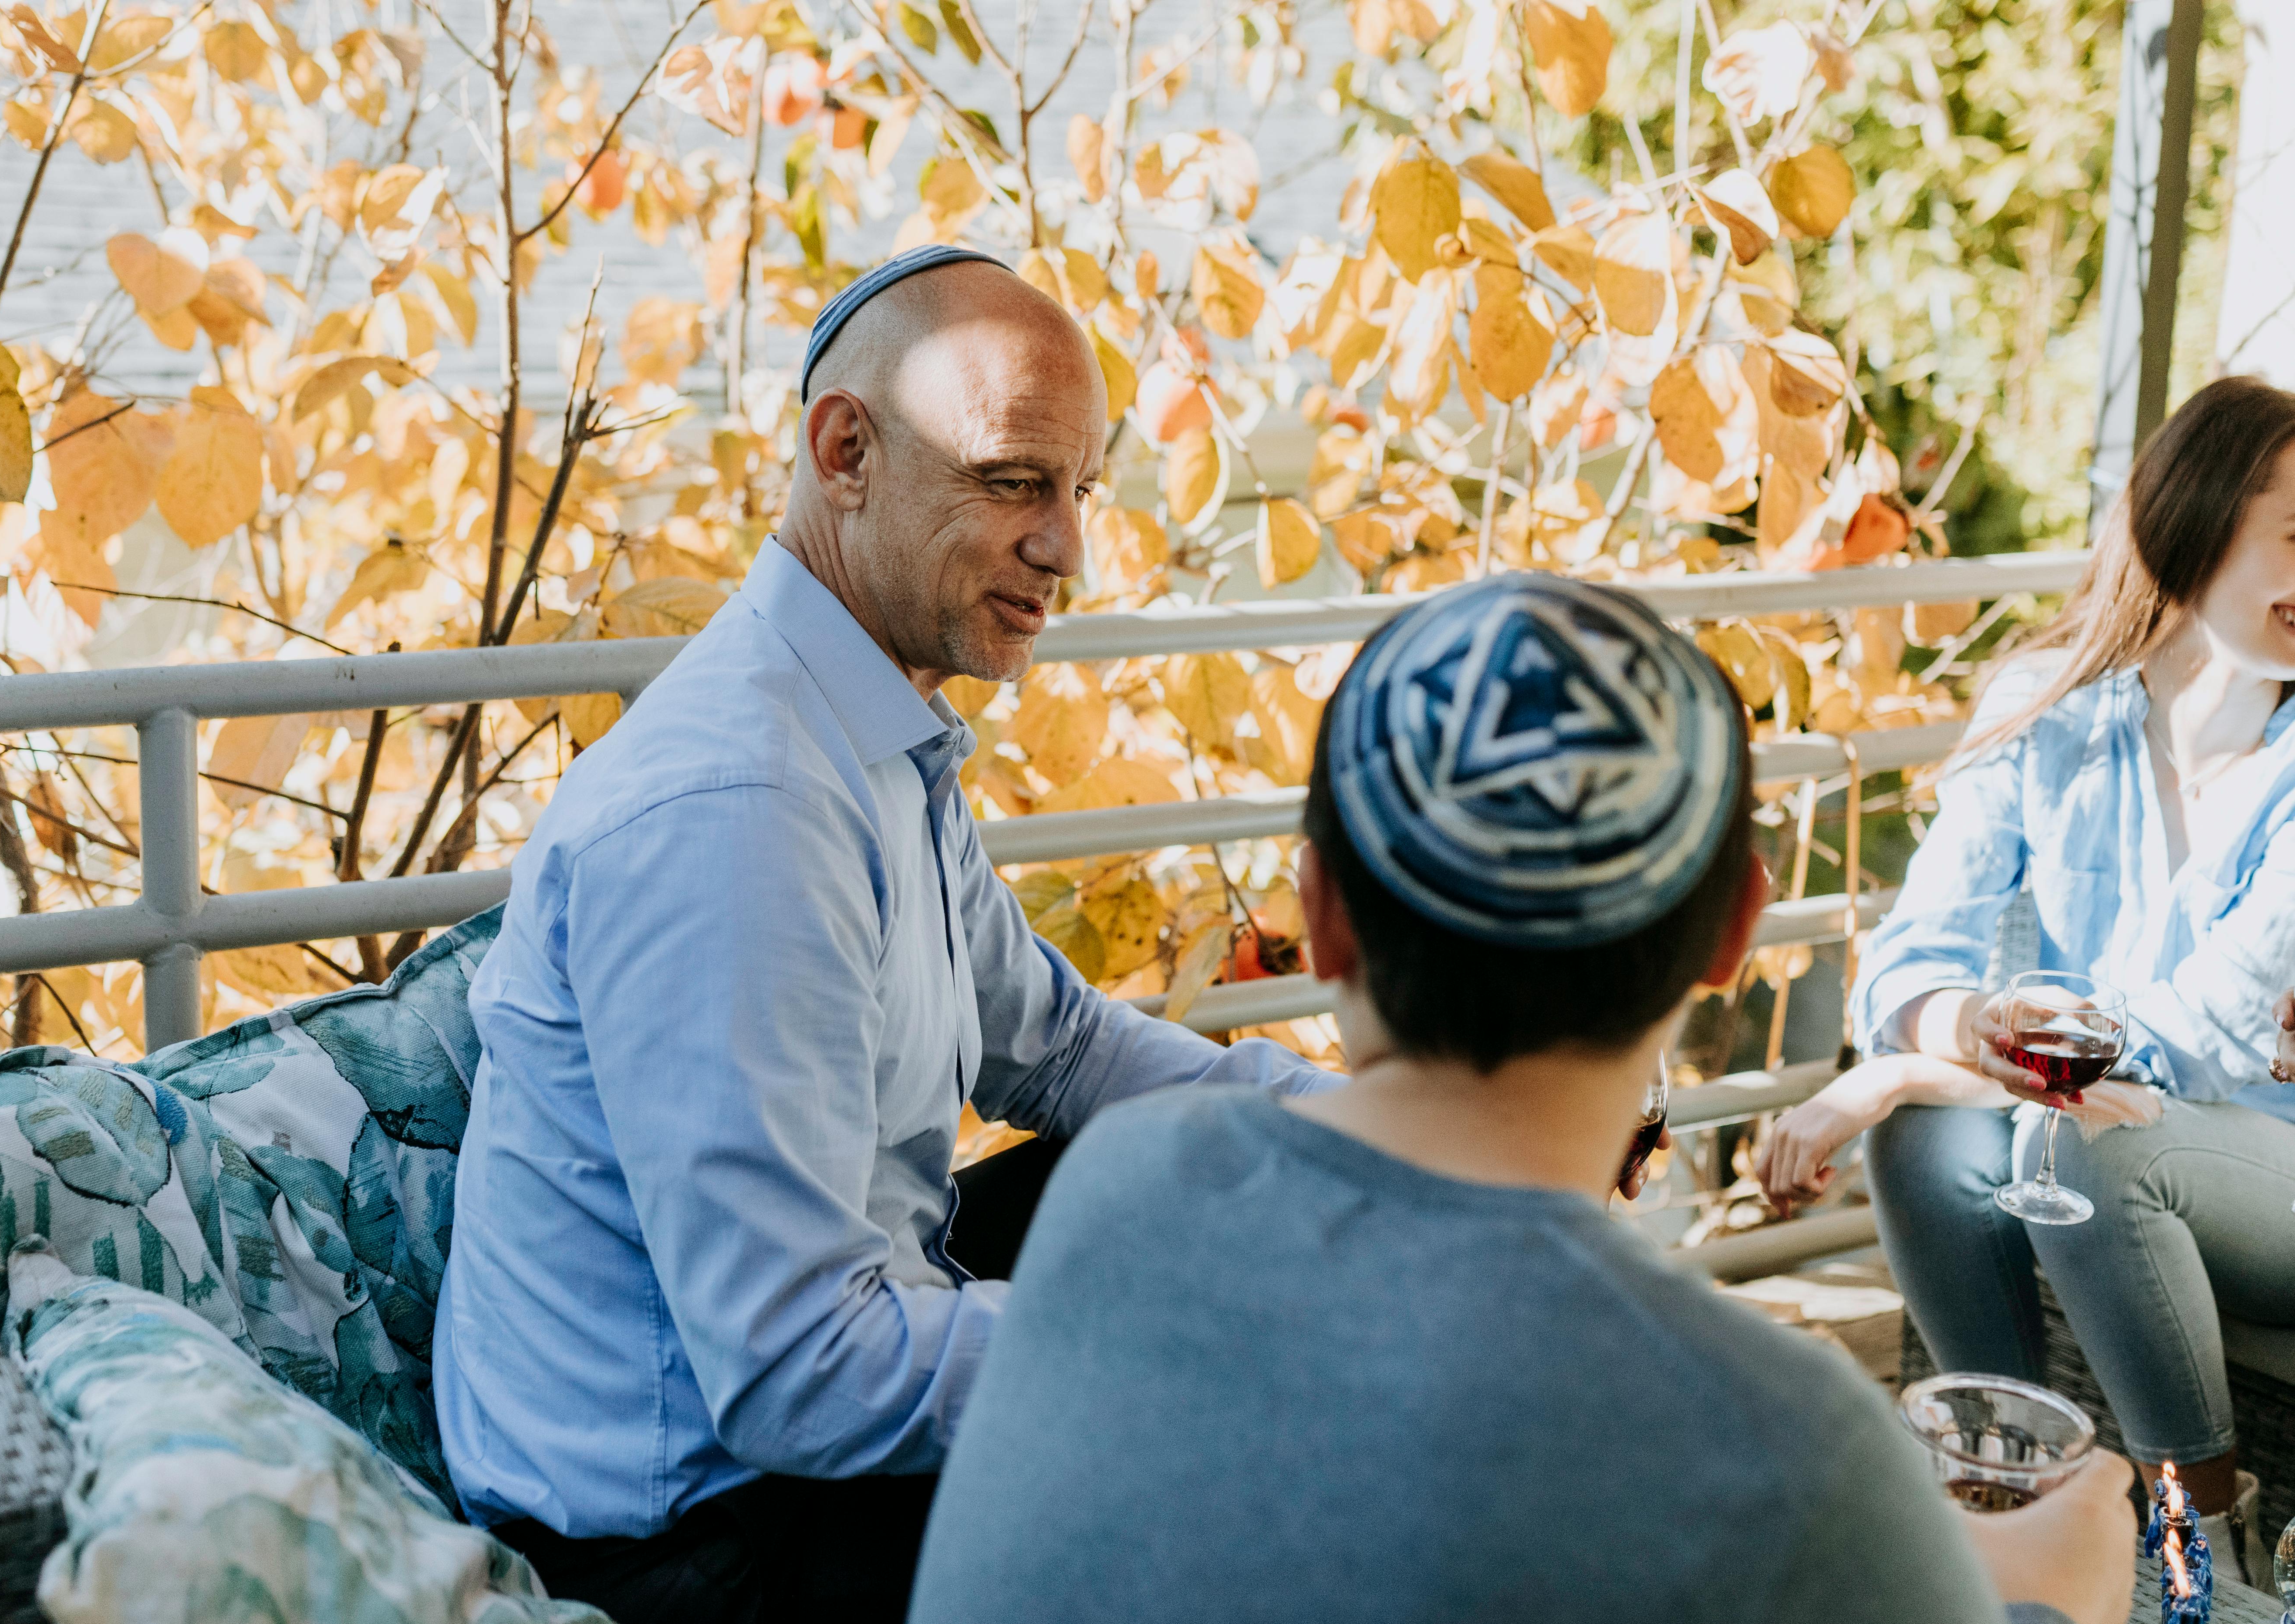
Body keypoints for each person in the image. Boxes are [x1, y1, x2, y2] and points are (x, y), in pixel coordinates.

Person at [909, 573, 2136, 1624]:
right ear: (1733, 932)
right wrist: (2066, 1580)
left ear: (1320, 915)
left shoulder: (1122, 1185)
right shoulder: (1785, 1445)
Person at [429, 245, 1342, 1624]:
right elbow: (803, 1370)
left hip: (796, 1411)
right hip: (698, 1544)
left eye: (1078, 489)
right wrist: (1201, 1350)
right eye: (1011, 480)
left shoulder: (863, 730)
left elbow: (1060, 1048)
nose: (1064, 547)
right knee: (1276, 1441)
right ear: (845, 450)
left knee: (1228, 1182)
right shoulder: (742, 807)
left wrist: (1392, 1140)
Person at [1756, 374, 2295, 1582]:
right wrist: (1949, 1026)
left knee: (2074, 1147)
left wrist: (1906, 1069)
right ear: (2193, 520)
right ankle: (2006, 1491)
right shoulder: (2044, 708)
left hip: (2270, 1161)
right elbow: (1914, 954)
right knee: (1924, 1147)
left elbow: (2204, 1034)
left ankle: (2196, 1548)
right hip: (2102, 1119)